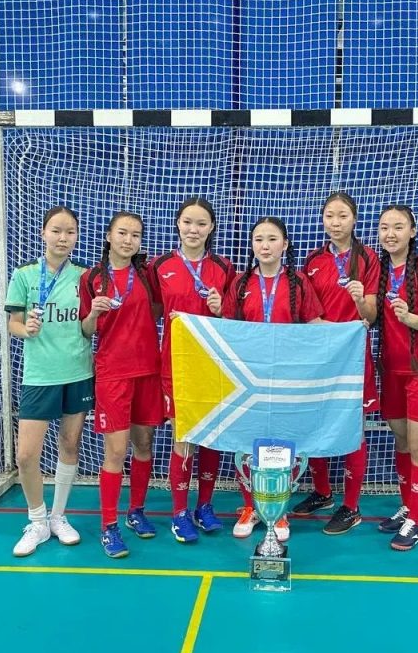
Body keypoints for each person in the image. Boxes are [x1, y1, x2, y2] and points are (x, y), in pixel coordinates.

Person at [222, 216, 324, 540]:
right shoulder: (240, 284)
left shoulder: (299, 283)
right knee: (247, 444)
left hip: (287, 380)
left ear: (285, 244)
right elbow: (226, 329)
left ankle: (278, 510)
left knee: (280, 443)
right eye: (259, 239)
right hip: (247, 380)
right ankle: (250, 506)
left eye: (272, 239)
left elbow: (315, 325)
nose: (265, 246)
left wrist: (350, 330)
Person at [5, 206, 93, 558]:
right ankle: (37, 521)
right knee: (26, 455)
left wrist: (96, 315)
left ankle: (58, 517)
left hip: (78, 372)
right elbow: (13, 323)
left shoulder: (85, 277)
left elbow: (88, 327)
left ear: (77, 236)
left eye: (70, 232)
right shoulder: (24, 275)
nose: (62, 238)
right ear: (43, 233)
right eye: (56, 230)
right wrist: (25, 329)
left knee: (70, 445)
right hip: (40, 376)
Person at [149, 197, 236, 544]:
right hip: (176, 367)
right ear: (177, 224)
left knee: (211, 436)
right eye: (187, 222)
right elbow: (153, 311)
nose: (193, 229)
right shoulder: (160, 266)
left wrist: (221, 308)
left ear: (211, 227)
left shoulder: (224, 267)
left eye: (201, 223)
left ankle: (205, 506)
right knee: (183, 438)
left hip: (213, 366)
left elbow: (234, 319)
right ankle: (179, 513)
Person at [294, 192, 379, 534]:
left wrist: (359, 302)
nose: (336, 222)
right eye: (330, 215)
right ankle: (323, 492)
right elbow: (305, 310)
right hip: (319, 356)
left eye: (342, 215)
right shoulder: (313, 260)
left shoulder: (368, 258)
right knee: (316, 423)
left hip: (354, 355)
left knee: (352, 428)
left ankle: (351, 506)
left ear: (354, 219)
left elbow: (371, 316)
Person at [79, 211, 163, 558]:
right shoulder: (91, 278)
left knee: (144, 445)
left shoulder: (147, 274)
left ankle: (136, 512)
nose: (129, 240)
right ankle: (109, 526)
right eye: (123, 233)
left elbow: (157, 311)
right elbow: (85, 330)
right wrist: (94, 314)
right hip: (113, 373)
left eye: (136, 235)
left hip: (148, 370)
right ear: (109, 236)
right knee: (115, 452)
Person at [374, 206, 418, 551]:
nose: (390, 234)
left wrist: (409, 317)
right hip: (392, 370)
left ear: (412, 232)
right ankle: (407, 508)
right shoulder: (381, 272)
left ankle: (417, 522)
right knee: (401, 443)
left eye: (398, 227)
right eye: (384, 227)